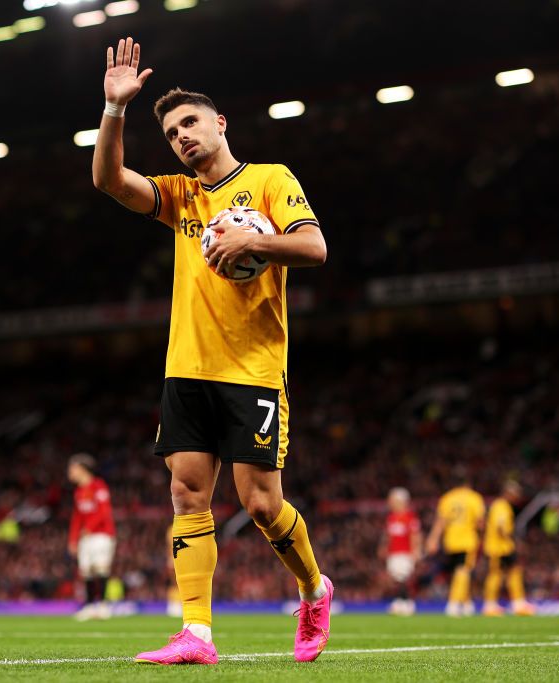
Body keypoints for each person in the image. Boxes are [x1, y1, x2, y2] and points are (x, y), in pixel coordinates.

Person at [91, 37, 330, 665]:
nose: (182, 138)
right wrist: (115, 109)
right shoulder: (180, 197)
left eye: (190, 123)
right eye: (171, 134)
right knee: (186, 496)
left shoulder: (270, 181)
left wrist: (253, 246)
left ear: (219, 122)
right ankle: (196, 632)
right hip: (186, 367)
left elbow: (314, 249)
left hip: (252, 368)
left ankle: (312, 587)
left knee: (261, 505)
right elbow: (109, 180)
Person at [425, 471, 484, 617]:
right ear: (468, 483)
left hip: (450, 541)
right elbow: (480, 522)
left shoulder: (447, 498)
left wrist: (432, 539)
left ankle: (466, 603)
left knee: (458, 572)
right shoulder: (474, 498)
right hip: (467, 540)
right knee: (463, 571)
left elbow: (440, 522)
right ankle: (453, 603)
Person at [67, 454, 117, 621]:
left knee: (100, 568)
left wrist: (89, 528)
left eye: (72, 468)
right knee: (86, 570)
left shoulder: (98, 486)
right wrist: (73, 540)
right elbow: (77, 518)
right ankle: (89, 606)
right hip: (85, 538)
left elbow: (104, 511)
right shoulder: (79, 492)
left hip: (102, 535)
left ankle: (102, 606)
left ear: (82, 469)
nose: (70, 472)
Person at [481, 480, 534, 616]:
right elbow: (501, 527)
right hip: (499, 547)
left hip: (502, 547)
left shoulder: (501, 505)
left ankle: (518, 603)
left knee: (514, 572)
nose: (517, 496)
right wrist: (513, 540)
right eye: (515, 493)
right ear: (508, 493)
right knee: (496, 575)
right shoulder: (501, 505)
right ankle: (490, 605)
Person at [380, 487, 421, 616]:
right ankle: (401, 602)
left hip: (405, 552)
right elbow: (388, 536)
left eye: (392, 500)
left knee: (403, 578)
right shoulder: (391, 517)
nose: (390, 503)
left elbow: (415, 535)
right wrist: (383, 547)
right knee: (396, 578)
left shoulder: (409, 517)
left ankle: (406, 603)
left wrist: (416, 550)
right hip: (393, 553)